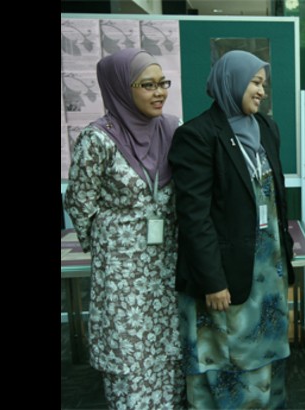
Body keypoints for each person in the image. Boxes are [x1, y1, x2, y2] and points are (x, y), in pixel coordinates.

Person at [168, 50, 294, 409]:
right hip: (224, 278)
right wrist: (213, 280)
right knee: (227, 363)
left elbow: (274, 198)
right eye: (255, 83)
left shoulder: (267, 128)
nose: (261, 92)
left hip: (267, 272)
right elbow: (194, 216)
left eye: (263, 85)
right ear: (231, 81)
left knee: (269, 357)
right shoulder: (198, 136)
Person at [64, 48, 185, 409]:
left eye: (162, 83)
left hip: (167, 266)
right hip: (123, 277)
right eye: (147, 85)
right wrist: (110, 247)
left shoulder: (172, 128)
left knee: (169, 357)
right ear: (119, 89)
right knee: (129, 360)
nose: (159, 92)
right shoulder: (98, 140)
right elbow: (80, 203)